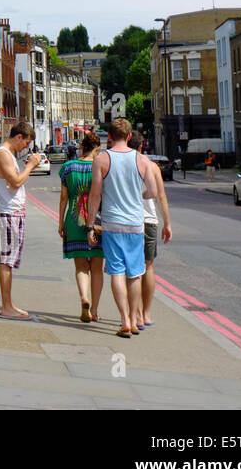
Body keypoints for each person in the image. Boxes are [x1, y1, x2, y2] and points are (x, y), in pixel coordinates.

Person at [86, 118, 160, 338]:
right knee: (135, 273)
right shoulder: (142, 160)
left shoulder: (101, 159)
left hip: (112, 223)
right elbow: (153, 192)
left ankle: (125, 320)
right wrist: (138, 196)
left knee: (116, 272)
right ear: (129, 137)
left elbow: (95, 195)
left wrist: (91, 225)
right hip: (135, 224)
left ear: (109, 137)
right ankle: (136, 321)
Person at [0, 121, 43, 319]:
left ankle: (9, 304)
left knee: (9, 261)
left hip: (14, 213)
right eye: (26, 142)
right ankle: (6, 308)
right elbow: (16, 181)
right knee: (7, 261)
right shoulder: (3, 154)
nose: (26, 147)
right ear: (18, 137)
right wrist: (30, 165)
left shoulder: (7, 154)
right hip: (9, 213)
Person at [58, 131, 104, 323]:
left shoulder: (68, 167)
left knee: (80, 266)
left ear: (82, 147)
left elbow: (63, 198)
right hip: (97, 221)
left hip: (74, 219)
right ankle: (93, 310)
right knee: (97, 267)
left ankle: (84, 298)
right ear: (97, 148)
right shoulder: (100, 166)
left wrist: (60, 222)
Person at [132, 132, 173, 329]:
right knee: (148, 267)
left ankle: (137, 314)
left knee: (132, 268)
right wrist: (167, 223)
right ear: (142, 147)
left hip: (128, 221)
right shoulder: (152, 166)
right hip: (149, 221)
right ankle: (146, 314)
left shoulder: (122, 163)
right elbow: (161, 196)